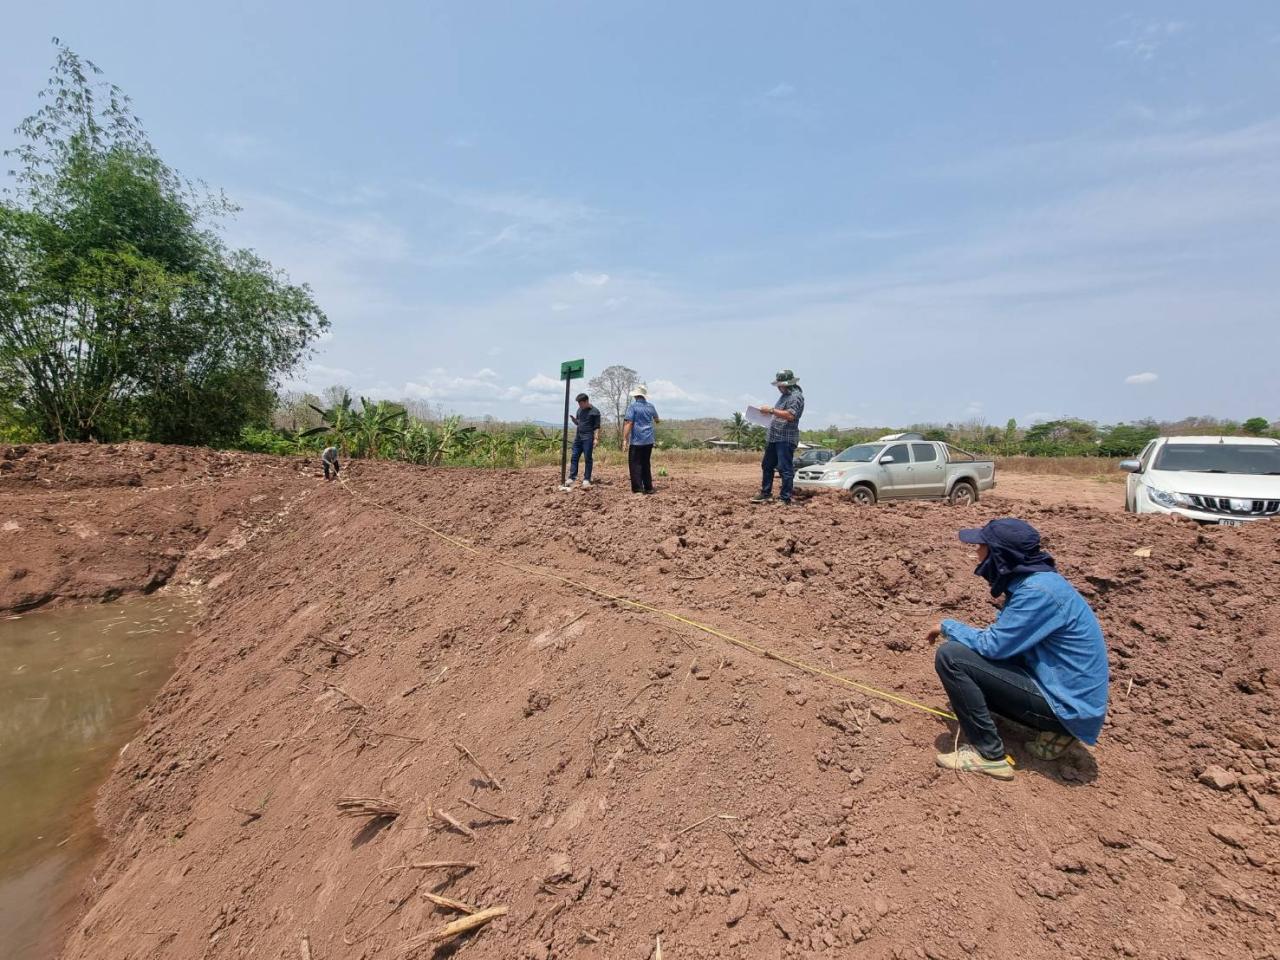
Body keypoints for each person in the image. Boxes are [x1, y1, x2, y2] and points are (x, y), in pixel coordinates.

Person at [927, 518, 1109, 780]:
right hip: (1070, 701)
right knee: (971, 665)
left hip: (1068, 707)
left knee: (952, 657)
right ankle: (1058, 732)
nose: (975, 553)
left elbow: (993, 646)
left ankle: (987, 754)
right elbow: (1006, 645)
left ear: (1000, 556)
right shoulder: (1039, 583)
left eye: (981, 547)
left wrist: (947, 626)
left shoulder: (1037, 592)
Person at [750, 369, 805, 506]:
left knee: (784, 468)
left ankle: (785, 498)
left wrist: (771, 410)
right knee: (767, 465)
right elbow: (780, 414)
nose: (778, 388)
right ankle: (765, 493)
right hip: (774, 437)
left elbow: (791, 415)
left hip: (785, 438)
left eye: (780, 385)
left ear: (786, 384)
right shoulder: (784, 396)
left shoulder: (796, 396)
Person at [622, 385, 659, 495]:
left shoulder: (633, 407)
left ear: (636, 396)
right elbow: (657, 419)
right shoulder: (650, 406)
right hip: (648, 440)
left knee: (635, 464)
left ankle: (638, 488)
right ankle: (648, 488)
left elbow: (629, 422)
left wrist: (625, 439)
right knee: (645, 463)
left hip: (637, 441)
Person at [562, 393, 602, 490]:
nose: (579, 406)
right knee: (574, 456)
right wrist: (575, 421)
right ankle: (572, 477)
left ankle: (587, 479)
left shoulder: (595, 412)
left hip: (588, 437)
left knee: (588, 458)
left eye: (581, 404)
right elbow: (579, 423)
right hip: (578, 437)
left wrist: (596, 439)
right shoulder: (579, 410)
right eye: (579, 404)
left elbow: (597, 427)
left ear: (586, 401)